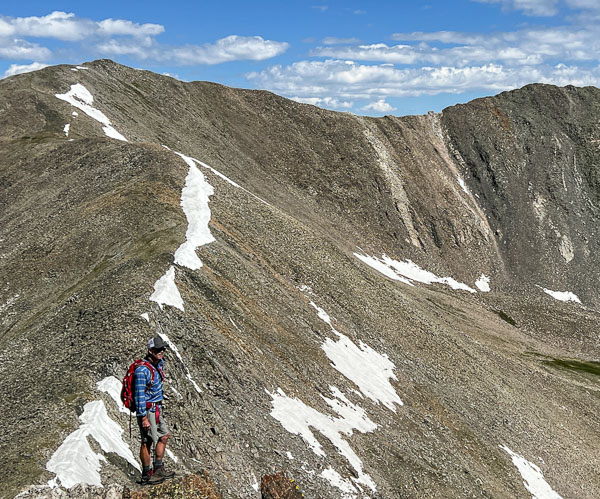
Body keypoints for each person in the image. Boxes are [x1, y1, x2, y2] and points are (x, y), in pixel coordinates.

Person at [135, 336, 176, 485]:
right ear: (150, 351)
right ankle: (147, 474)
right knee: (147, 441)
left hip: (157, 407)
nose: (161, 351)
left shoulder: (159, 364)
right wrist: (143, 417)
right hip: (147, 410)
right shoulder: (141, 371)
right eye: (158, 349)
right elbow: (139, 395)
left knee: (164, 435)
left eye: (162, 348)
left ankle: (158, 468)